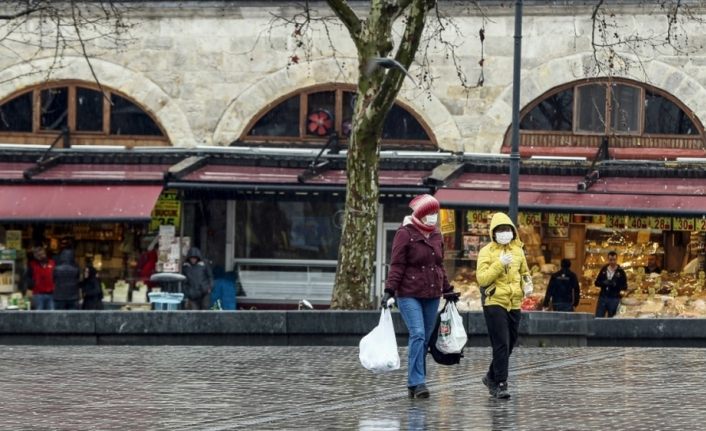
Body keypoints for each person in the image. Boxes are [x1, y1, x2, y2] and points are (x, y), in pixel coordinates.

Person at [382, 194, 458, 399]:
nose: (434, 217)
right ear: (421, 214)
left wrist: (447, 289)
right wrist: (389, 290)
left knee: (424, 340)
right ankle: (417, 382)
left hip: (432, 294)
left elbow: (439, 265)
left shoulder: (436, 235)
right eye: (431, 213)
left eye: (436, 213)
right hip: (408, 294)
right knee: (418, 334)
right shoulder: (404, 233)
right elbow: (397, 264)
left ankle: (415, 382)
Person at [476, 212, 532, 399]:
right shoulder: (486, 252)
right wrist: (499, 264)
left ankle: (491, 376)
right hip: (494, 301)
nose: (504, 233)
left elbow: (524, 272)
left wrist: (527, 283)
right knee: (501, 343)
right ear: (493, 233)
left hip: (514, 302)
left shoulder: (518, 251)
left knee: (510, 343)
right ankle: (501, 383)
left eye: (507, 229)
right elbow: (482, 279)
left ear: (513, 231)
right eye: (500, 230)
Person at [594, 250, 628, 318]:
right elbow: (596, 283)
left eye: (614, 260)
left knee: (612, 319)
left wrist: (616, 285)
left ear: (617, 259)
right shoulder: (604, 270)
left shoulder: (620, 271)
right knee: (598, 317)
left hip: (614, 298)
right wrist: (604, 283)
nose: (612, 262)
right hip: (603, 297)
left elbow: (625, 286)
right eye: (610, 260)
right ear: (608, 259)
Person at [24, 246, 56, 310]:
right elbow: (28, 277)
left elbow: (57, 276)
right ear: (35, 256)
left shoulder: (52, 263)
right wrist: (32, 284)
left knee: (52, 315)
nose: (41, 256)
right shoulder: (32, 265)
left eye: (42, 254)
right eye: (39, 255)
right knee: (39, 314)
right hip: (38, 294)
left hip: (51, 294)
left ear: (45, 253)